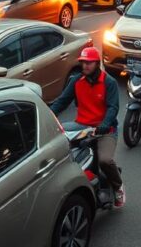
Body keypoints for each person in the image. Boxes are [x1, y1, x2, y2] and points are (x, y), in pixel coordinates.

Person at [49, 47, 125, 207]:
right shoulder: (76, 81)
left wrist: (104, 125)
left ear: (97, 63)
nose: (85, 66)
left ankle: (117, 186)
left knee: (104, 160)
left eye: (89, 63)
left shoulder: (108, 82)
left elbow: (113, 108)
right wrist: (47, 116)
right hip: (81, 126)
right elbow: (62, 101)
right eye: (83, 63)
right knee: (57, 139)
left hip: (105, 129)